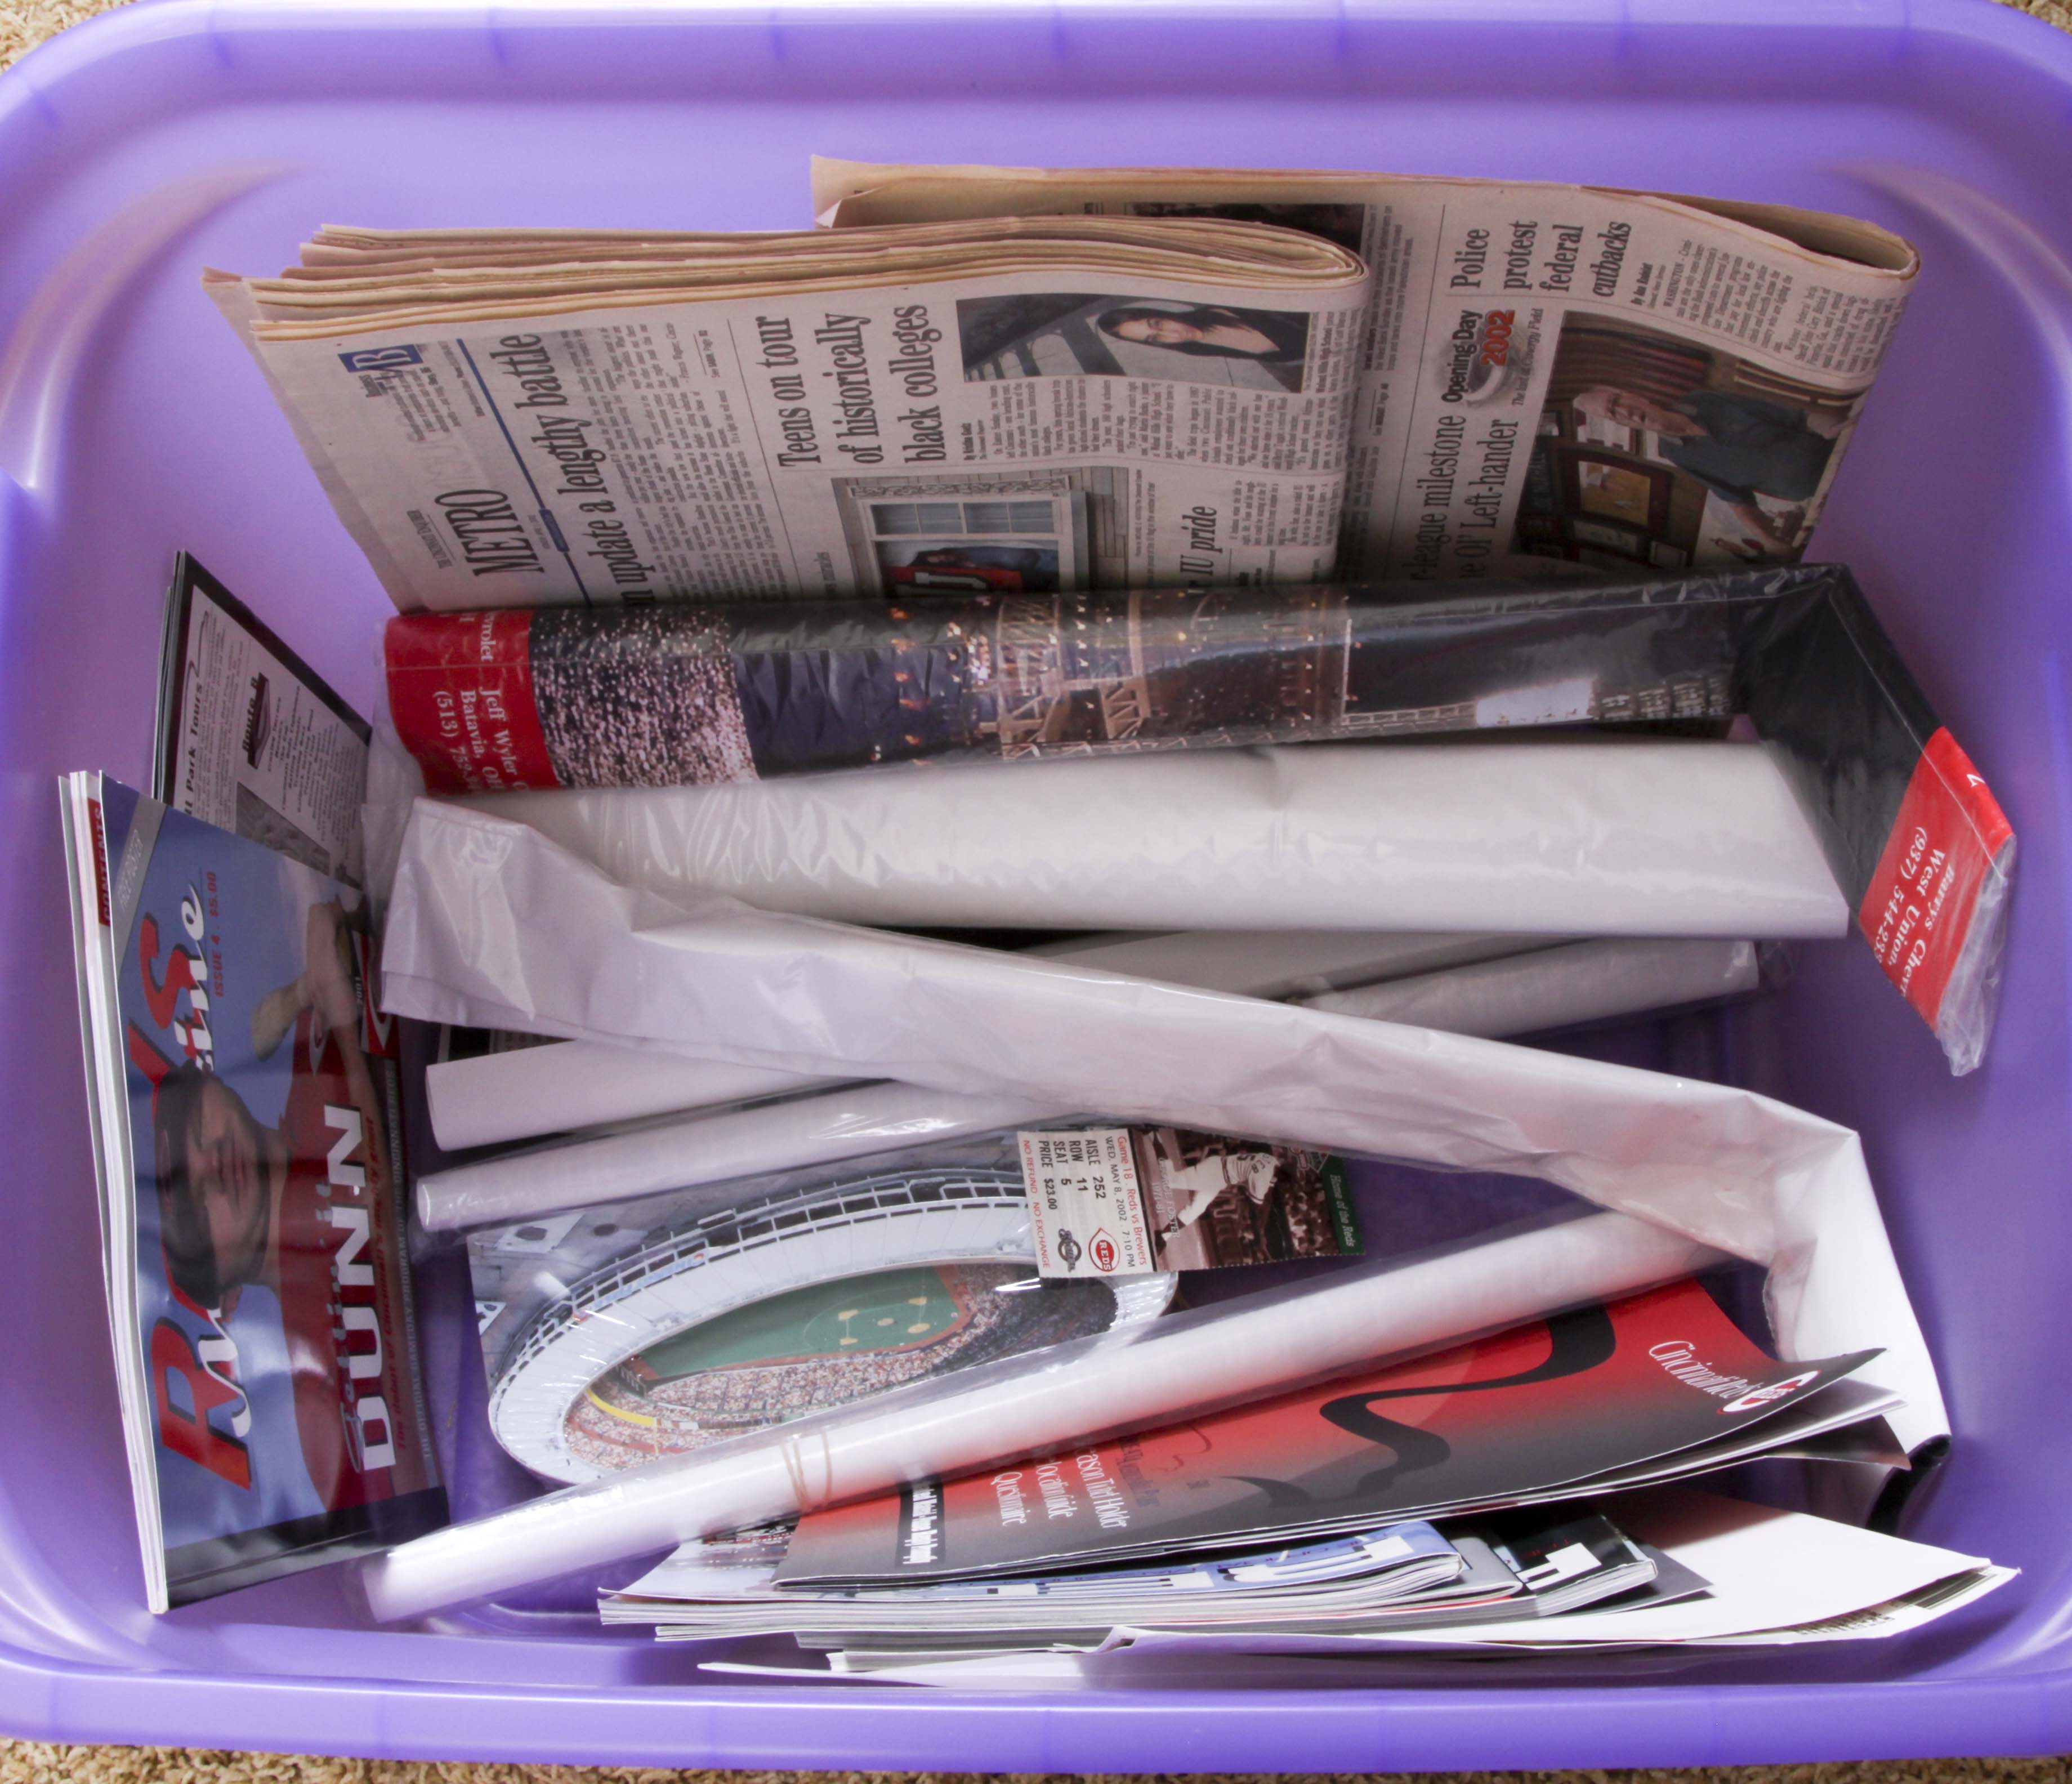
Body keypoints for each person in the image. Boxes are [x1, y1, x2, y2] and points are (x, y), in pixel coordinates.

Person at [151, 899, 405, 1506]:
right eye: (191, 1209)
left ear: (215, 1082)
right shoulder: (319, 1405)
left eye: (192, 1126)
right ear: (229, 1299)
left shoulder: (309, 1047)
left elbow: (333, 916)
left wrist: (315, 996)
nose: (209, 1168)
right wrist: (341, 1020)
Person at [1569, 385, 1848, 551]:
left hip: (1839, 452)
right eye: (1614, 415)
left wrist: (1832, 428)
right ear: (1623, 425)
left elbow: (1799, 418)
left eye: (1617, 402)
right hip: (1826, 497)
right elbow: (1738, 502)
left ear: (1634, 396)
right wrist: (1772, 544)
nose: (1625, 412)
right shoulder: (1673, 453)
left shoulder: (1703, 401)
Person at [1097, 304, 1310, 378]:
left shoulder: (1231, 307)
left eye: (1158, 325)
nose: (1174, 336)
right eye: (1155, 338)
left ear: (1160, 314)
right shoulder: (1198, 350)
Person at [1160, 1146, 1282, 1236]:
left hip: (1219, 1171)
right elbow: (1255, 1206)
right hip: (1215, 1172)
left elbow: (1270, 1188)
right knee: (1171, 1180)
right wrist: (1259, 1230)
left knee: (1195, 1210)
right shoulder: (1262, 1178)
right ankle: (1153, 1135)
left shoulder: (1272, 1161)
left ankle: (1162, 1237)